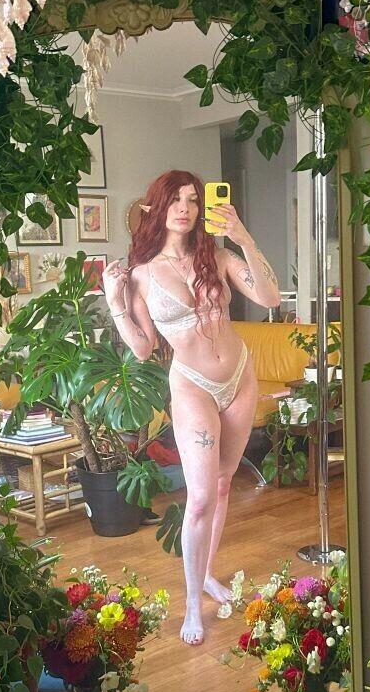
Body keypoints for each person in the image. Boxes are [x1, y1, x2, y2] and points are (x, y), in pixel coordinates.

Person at [103, 170, 280, 645]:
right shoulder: (141, 274)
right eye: (174, 200)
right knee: (200, 497)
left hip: (239, 376)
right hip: (193, 386)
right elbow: (143, 349)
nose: (184, 208)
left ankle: (205, 574)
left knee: (222, 486)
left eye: (193, 200)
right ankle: (191, 606)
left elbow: (270, 297)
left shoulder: (217, 257)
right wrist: (114, 301)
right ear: (156, 208)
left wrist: (242, 236)